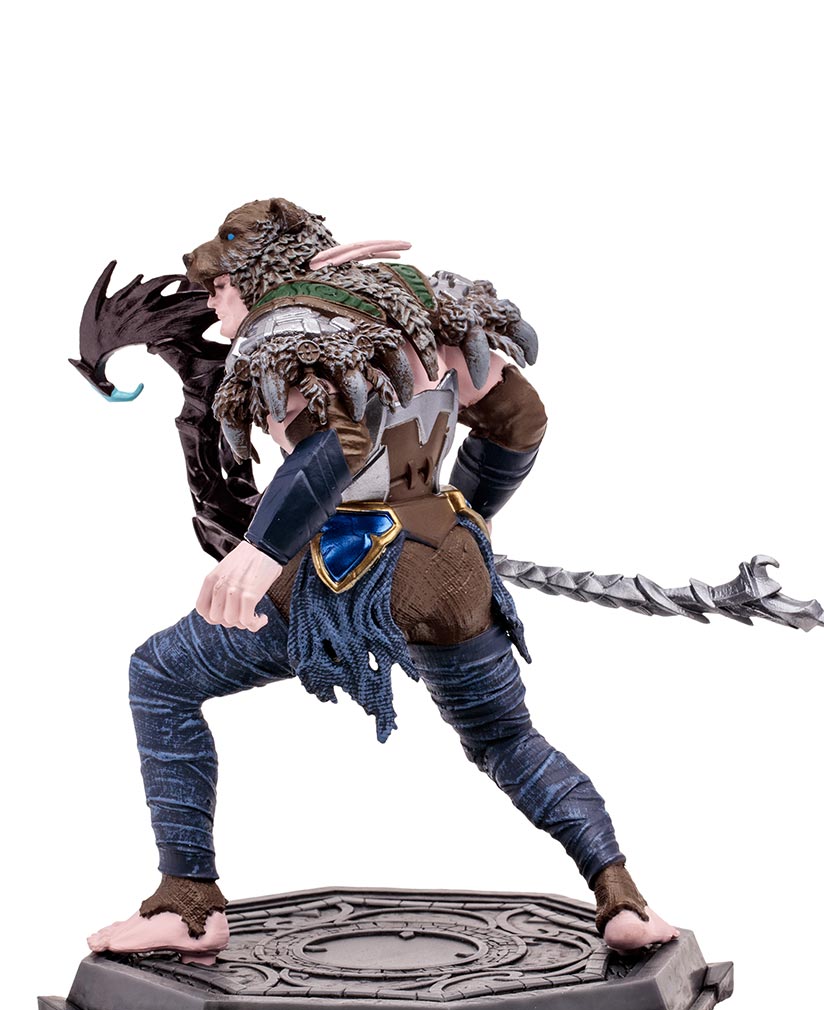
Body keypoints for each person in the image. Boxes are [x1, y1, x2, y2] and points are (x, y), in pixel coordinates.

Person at [87, 199, 678, 965]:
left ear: (244, 279)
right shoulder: (423, 311)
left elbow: (340, 440)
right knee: (506, 737)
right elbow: (519, 418)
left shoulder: (286, 333)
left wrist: (262, 550)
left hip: (344, 573)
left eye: (219, 292)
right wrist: (469, 515)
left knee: (160, 675)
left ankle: (188, 905)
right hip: (450, 565)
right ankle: (621, 895)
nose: (217, 312)